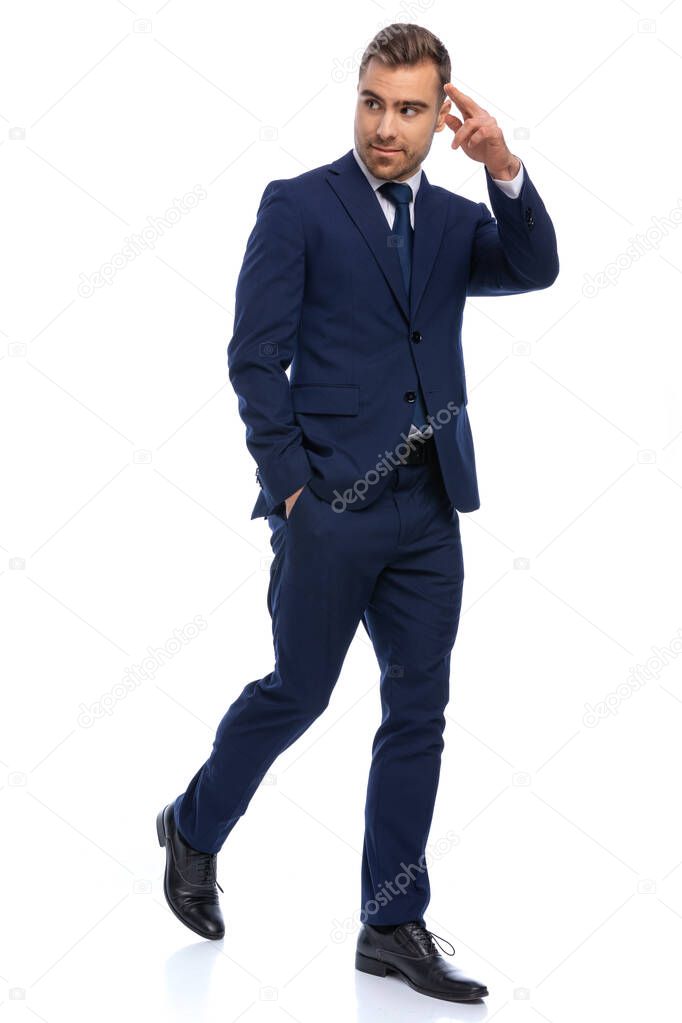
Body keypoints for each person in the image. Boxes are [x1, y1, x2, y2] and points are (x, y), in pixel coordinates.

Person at [157, 22, 558, 1004]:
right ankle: (193, 825)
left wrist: (505, 163)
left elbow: (535, 265)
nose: (386, 125)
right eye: (373, 101)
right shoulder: (299, 206)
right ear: (360, 98)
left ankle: (390, 923)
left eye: (410, 109)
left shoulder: (461, 223)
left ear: (441, 115)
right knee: (298, 692)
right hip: (330, 506)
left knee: (417, 712)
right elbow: (255, 356)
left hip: (430, 507)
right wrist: (295, 489)